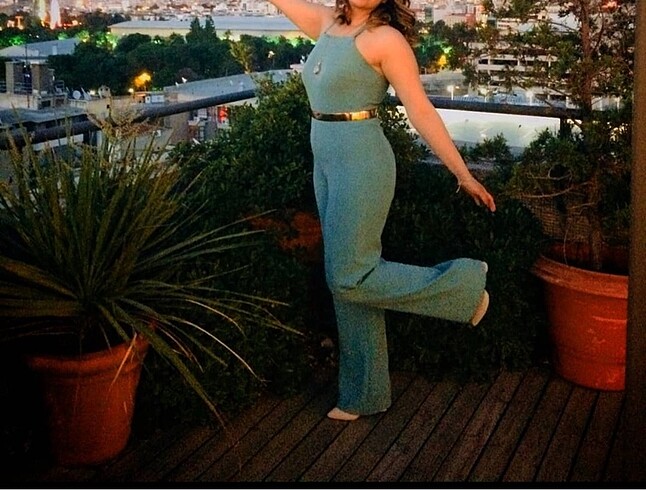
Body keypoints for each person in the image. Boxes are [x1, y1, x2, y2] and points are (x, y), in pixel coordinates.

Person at [267, 0, 497, 421]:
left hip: (363, 163)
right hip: (326, 162)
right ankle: (363, 393)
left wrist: (463, 174)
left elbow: (420, 110)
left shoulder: (385, 39)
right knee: (350, 278)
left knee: (347, 275)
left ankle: (464, 288)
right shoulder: (327, 23)